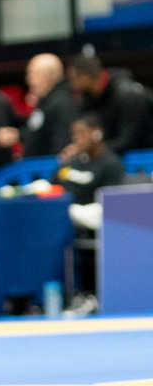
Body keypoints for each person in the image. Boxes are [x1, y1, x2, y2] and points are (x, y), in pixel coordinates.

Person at [52, 115, 127, 314]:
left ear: (97, 133)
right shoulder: (72, 163)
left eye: (82, 133)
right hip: (70, 217)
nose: (77, 139)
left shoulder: (110, 163)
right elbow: (54, 185)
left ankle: (91, 294)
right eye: (74, 134)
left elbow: (113, 201)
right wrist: (63, 162)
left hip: (98, 219)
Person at [66, 53, 153, 158]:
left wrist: (90, 150)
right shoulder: (89, 98)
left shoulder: (127, 96)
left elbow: (129, 141)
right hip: (114, 157)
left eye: (73, 79)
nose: (72, 85)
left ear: (85, 77)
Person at [22, 54, 76, 158]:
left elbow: (62, 145)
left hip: (49, 170)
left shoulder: (61, 103)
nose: (29, 80)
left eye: (32, 74)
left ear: (47, 75)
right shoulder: (46, 103)